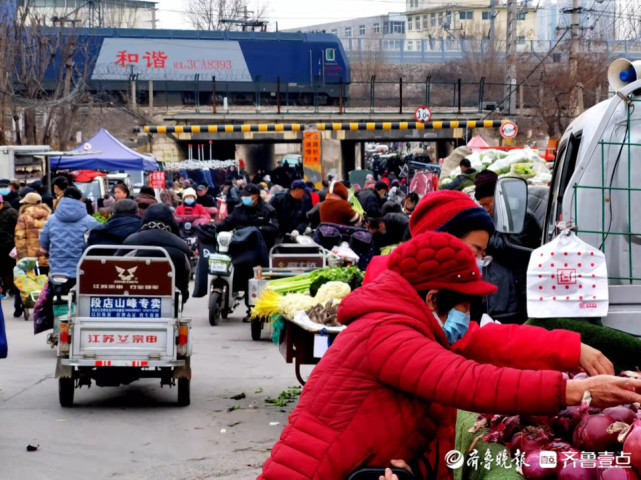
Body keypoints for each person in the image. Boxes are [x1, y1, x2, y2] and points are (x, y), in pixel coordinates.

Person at [258, 230, 629, 480]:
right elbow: (468, 381)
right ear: (433, 298)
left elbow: (489, 350)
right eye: (463, 306)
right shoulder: (386, 332)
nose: (465, 317)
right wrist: (574, 391)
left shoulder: (403, 324)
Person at [363, 190, 495, 286]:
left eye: (483, 255)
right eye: (476, 251)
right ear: (442, 240)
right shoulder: (390, 286)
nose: (479, 262)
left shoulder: (452, 283)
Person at [474, 170, 542, 324]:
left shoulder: (521, 217)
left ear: (498, 197)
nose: (485, 208)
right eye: (482, 205)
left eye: (487, 203)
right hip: (495, 300)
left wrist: (483, 243)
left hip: (514, 300)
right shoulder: (491, 218)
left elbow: (512, 249)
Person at [122, 204, 191, 303]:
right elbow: (184, 274)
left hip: (132, 297)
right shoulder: (180, 244)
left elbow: (114, 266)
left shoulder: (131, 240)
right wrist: (184, 294)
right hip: (169, 298)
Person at [39, 187, 99, 279]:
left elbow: (43, 241)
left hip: (57, 269)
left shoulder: (51, 219)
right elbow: (98, 242)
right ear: (81, 199)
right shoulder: (90, 221)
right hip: (83, 269)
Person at [216, 184, 279, 249]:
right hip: (242, 245)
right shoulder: (239, 209)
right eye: (243, 195)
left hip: (261, 246)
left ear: (256, 196)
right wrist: (214, 227)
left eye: (247, 195)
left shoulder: (268, 210)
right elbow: (227, 222)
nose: (244, 197)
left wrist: (256, 229)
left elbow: (274, 229)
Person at [14, 192, 51, 272]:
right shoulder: (49, 216)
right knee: (44, 282)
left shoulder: (23, 217)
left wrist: (22, 259)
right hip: (46, 257)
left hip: (30, 259)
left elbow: (20, 239)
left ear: (27, 203)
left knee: (32, 283)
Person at [0, 193, 19, 313]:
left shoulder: (12, 212)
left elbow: (17, 228)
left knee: (11, 269)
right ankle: (4, 288)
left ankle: (11, 288)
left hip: (9, 246)